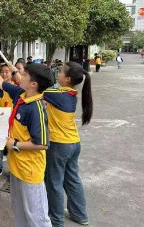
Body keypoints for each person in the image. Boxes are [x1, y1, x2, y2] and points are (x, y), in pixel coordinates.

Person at [0, 54, 53, 227]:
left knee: (37, 218)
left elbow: (43, 143)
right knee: (20, 212)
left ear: (33, 84)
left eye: (23, 74)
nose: (18, 75)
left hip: (30, 172)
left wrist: (15, 144)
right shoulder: (21, 94)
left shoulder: (36, 108)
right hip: (16, 167)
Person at [43, 62, 93, 227]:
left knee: (54, 182)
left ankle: (56, 220)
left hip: (59, 145)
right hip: (73, 143)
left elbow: (36, 89)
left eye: (61, 71)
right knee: (72, 179)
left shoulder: (55, 94)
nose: (58, 72)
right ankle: (80, 215)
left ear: (67, 79)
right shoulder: (71, 92)